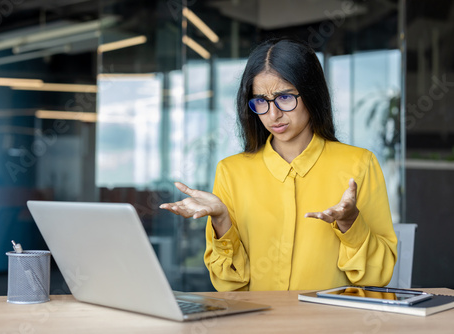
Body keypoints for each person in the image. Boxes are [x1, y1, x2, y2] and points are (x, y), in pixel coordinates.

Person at [160, 37, 397, 291]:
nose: (273, 115)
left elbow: (377, 277)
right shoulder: (231, 172)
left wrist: (351, 223)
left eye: (285, 97)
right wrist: (221, 221)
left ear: (311, 94)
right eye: (261, 101)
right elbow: (228, 285)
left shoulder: (359, 164)